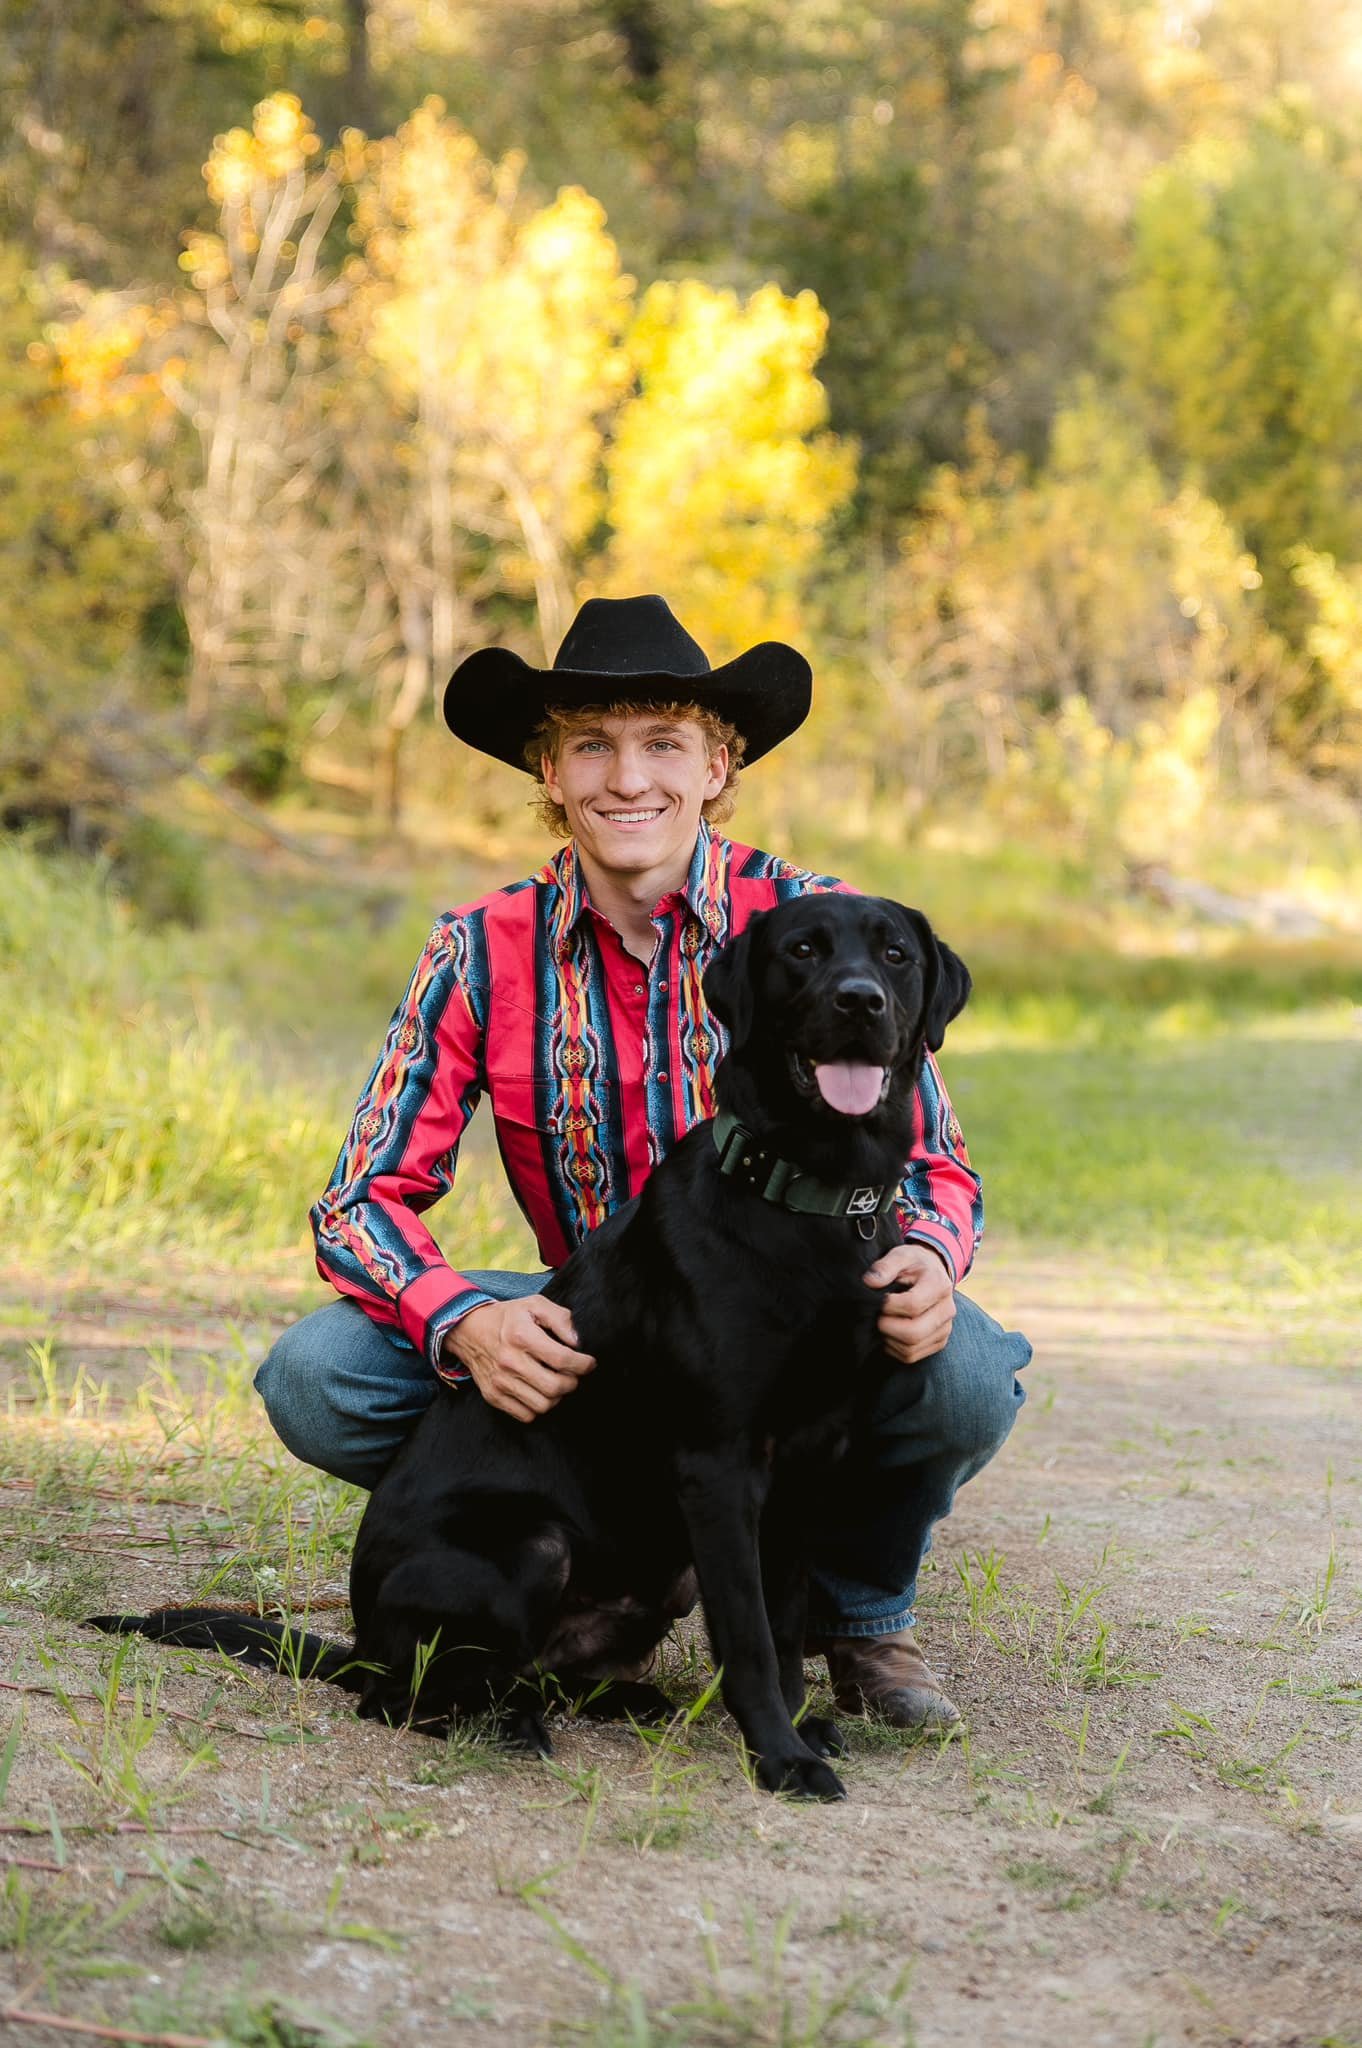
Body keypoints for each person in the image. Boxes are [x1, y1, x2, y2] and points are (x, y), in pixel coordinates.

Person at [256, 595, 1031, 1729]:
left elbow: (941, 1167)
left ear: (719, 765)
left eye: (665, 742)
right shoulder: (477, 948)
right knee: (318, 1372)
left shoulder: (816, 926)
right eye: (592, 745)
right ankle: (572, 1574)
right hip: (594, 1325)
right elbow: (357, 1202)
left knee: (959, 1372)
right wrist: (467, 1317)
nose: (630, 777)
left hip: (788, 1301)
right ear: (550, 773)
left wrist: (928, 1252)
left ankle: (860, 1619)